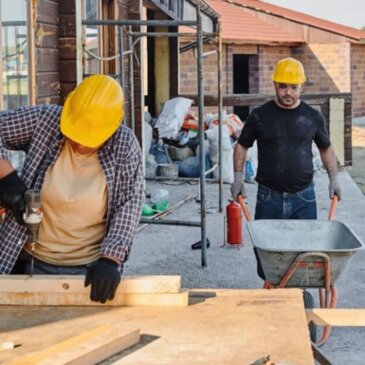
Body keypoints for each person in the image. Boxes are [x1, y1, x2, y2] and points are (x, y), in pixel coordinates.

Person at [0, 74, 144, 303]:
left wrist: (110, 260)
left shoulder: (124, 145)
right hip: (29, 260)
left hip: (89, 270)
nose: (80, 143)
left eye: (90, 138)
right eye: (75, 134)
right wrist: (6, 178)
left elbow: (129, 204)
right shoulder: (45, 120)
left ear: (112, 127)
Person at [230, 57, 342, 279]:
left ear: (302, 86)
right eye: (283, 87)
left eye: (293, 87)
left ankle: (298, 296)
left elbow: (326, 148)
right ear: (275, 85)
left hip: (304, 199)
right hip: (268, 198)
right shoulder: (260, 116)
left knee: (305, 256)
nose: (288, 92)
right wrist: (237, 178)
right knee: (267, 258)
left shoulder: (312, 116)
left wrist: (334, 179)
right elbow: (242, 146)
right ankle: (274, 293)